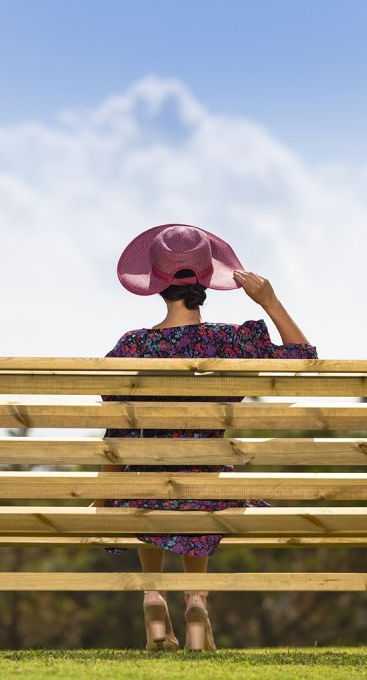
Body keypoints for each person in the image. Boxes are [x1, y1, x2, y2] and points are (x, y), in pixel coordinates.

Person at [99, 224, 317, 651]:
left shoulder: (133, 346)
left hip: (143, 487)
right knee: (201, 481)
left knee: (146, 481)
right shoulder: (231, 341)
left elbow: (118, 427)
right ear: (206, 279)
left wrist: (105, 488)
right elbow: (303, 359)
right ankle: (196, 602)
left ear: (156, 284)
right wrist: (269, 300)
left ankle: (153, 595)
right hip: (209, 486)